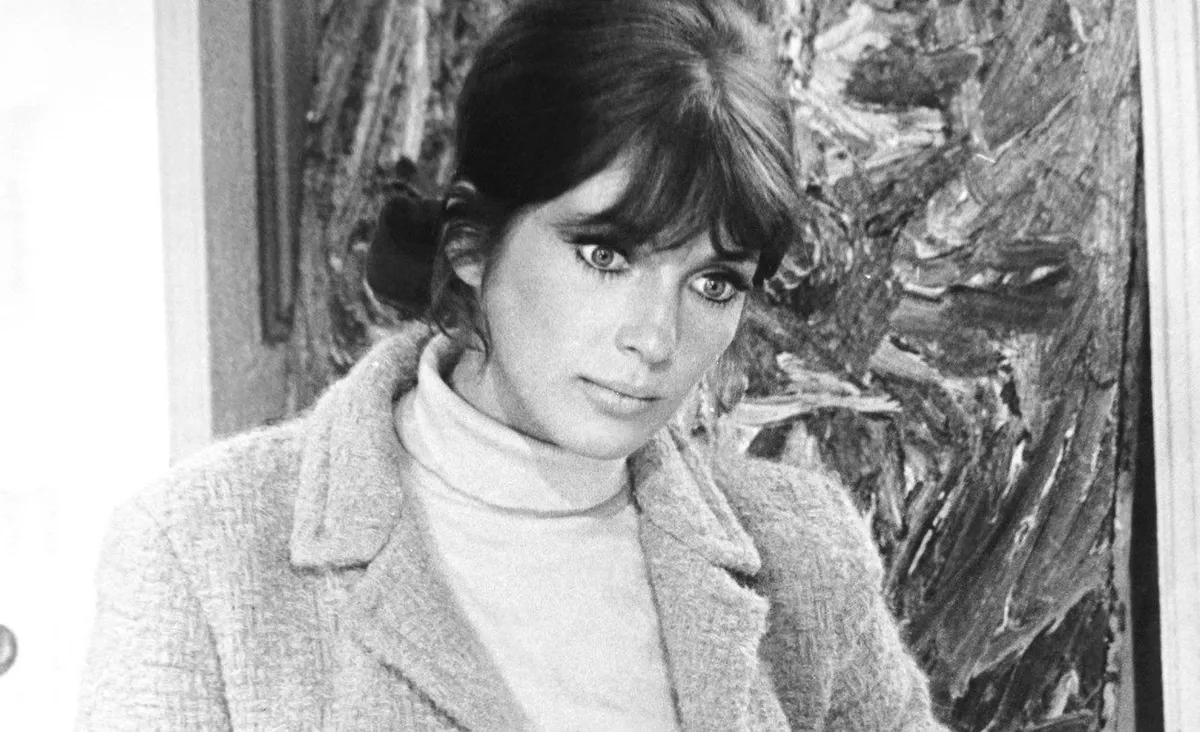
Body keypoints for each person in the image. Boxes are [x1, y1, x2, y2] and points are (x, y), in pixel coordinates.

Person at [78, 0, 948, 729]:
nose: (656, 337)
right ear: (471, 244)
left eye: (713, 282)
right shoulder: (202, 554)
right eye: (606, 255)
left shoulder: (803, 554)